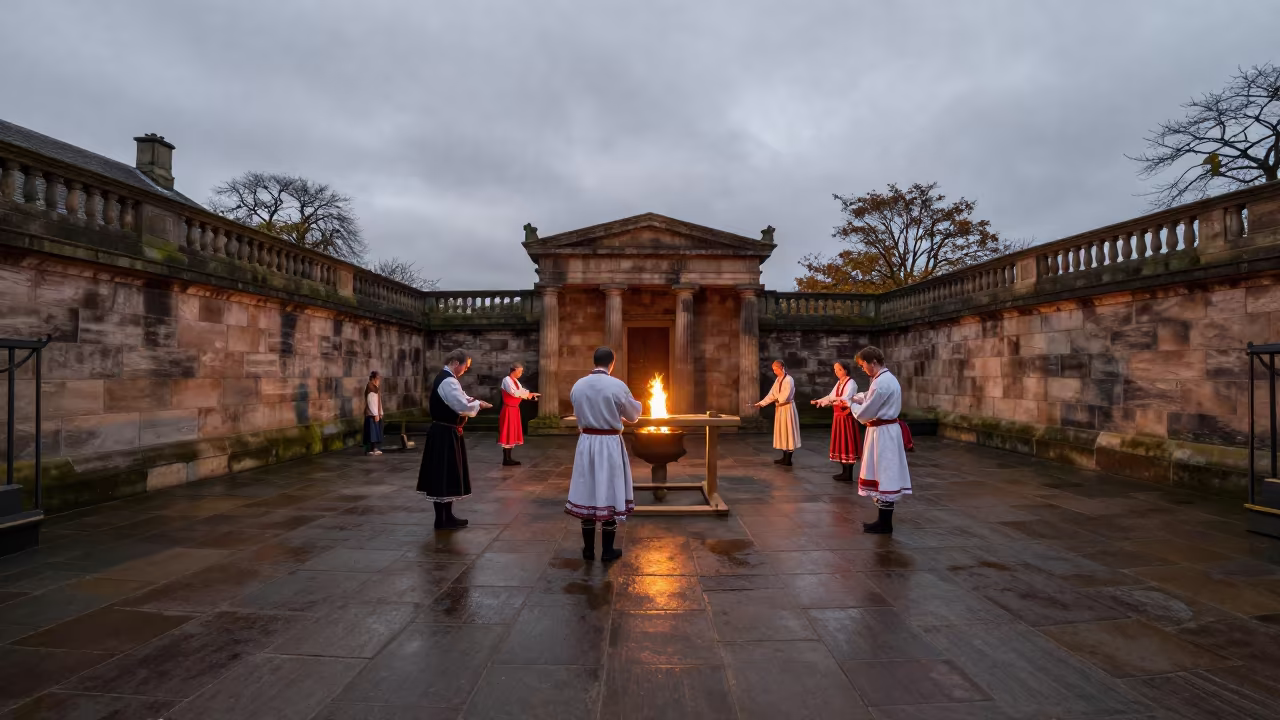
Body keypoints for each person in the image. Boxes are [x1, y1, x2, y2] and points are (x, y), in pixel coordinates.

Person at [565, 346, 643, 561]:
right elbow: (634, 415)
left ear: (594, 361)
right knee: (610, 488)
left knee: (587, 488)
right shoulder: (617, 386)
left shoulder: (578, 385)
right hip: (609, 443)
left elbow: (577, 410)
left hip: (587, 442)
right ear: (612, 362)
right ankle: (607, 551)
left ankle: (588, 549)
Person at [417, 349, 492, 529]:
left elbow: (463, 397)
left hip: (447, 433)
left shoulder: (448, 379)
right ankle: (441, 519)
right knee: (442, 475)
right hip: (444, 434)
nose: (466, 369)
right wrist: (478, 405)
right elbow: (460, 405)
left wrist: (475, 401)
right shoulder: (448, 380)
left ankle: (447, 516)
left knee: (448, 474)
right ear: (456, 363)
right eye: (466, 365)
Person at [849, 346, 911, 534]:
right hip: (884, 431)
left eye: (863, 365)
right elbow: (872, 398)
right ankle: (882, 520)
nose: (862, 369)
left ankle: (885, 523)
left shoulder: (881, 382)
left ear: (873, 362)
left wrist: (852, 405)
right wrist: (860, 398)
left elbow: (866, 413)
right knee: (881, 473)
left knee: (884, 473)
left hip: (883, 433)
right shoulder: (885, 379)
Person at [812, 360, 861, 482]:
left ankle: (848, 473)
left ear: (845, 370)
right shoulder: (839, 383)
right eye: (835, 370)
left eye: (839, 369)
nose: (836, 372)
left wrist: (831, 400)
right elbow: (831, 396)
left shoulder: (851, 383)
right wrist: (820, 401)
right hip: (838, 417)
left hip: (846, 417)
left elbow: (845, 398)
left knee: (847, 443)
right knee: (840, 443)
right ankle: (844, 471)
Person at [755, 360, 800, 466]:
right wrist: (761, 404)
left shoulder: (789, 380)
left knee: (788, 431)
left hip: (787, 408)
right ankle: (784, 456)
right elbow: (772, 394)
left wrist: (778, 400)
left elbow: (786, 395)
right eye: (773, 369)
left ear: (781, 368)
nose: (774, 371)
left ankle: (788, 459)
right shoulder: (778, 380)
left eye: (776, 369)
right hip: (780, 409)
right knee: (782, 431)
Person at [498, 361, 539, 466]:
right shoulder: (507, 380)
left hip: (514, 409)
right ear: (515, 370)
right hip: (508, 409)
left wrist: (531, 395)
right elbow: (515, 392)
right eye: (520, 371)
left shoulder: (515, 380)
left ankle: (509, 457)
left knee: (512, 432)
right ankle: (506, 458)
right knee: (508, 432)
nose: (521, 373)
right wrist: (528, 394)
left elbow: (521, 390)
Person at [364, 371, 384, 456]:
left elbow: (379, 402)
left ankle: (373, 448)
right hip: (371, 414)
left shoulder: (375, 388)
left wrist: (380, 412)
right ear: (374, 379)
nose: (379, 380)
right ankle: (371, 449)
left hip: (375, 413)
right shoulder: (370, 387)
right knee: (372, 433)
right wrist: (375, 414)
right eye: (377, 378)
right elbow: (371, 402)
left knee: (375, 431)